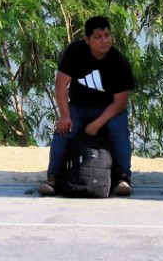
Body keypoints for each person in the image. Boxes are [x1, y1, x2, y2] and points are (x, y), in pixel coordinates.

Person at [38, 15, 135, 197]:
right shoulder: (75, 52)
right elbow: (61, 85)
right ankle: (53, 177)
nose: (104, 41)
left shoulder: (119, 62)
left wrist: (97, 124)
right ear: (87, 39)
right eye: (98, 37)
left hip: (109, 110)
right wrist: (65, 115)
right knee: (63, 131)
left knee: (119, 131)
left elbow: (120, 102)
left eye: (107, 35)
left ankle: (124, 178)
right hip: (78, 107)